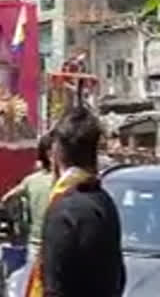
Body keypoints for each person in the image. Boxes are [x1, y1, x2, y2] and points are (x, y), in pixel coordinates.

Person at [25, 106, 126, 297]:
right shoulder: (104, 201)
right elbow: (118, 278)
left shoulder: (64, 211)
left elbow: (54, 289)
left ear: (55, 153)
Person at [1, 132, 54, 245]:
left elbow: (7, 199)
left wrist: (19, 221)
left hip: (35, 243)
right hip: (58, 243)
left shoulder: (30, 181)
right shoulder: (66, 181)